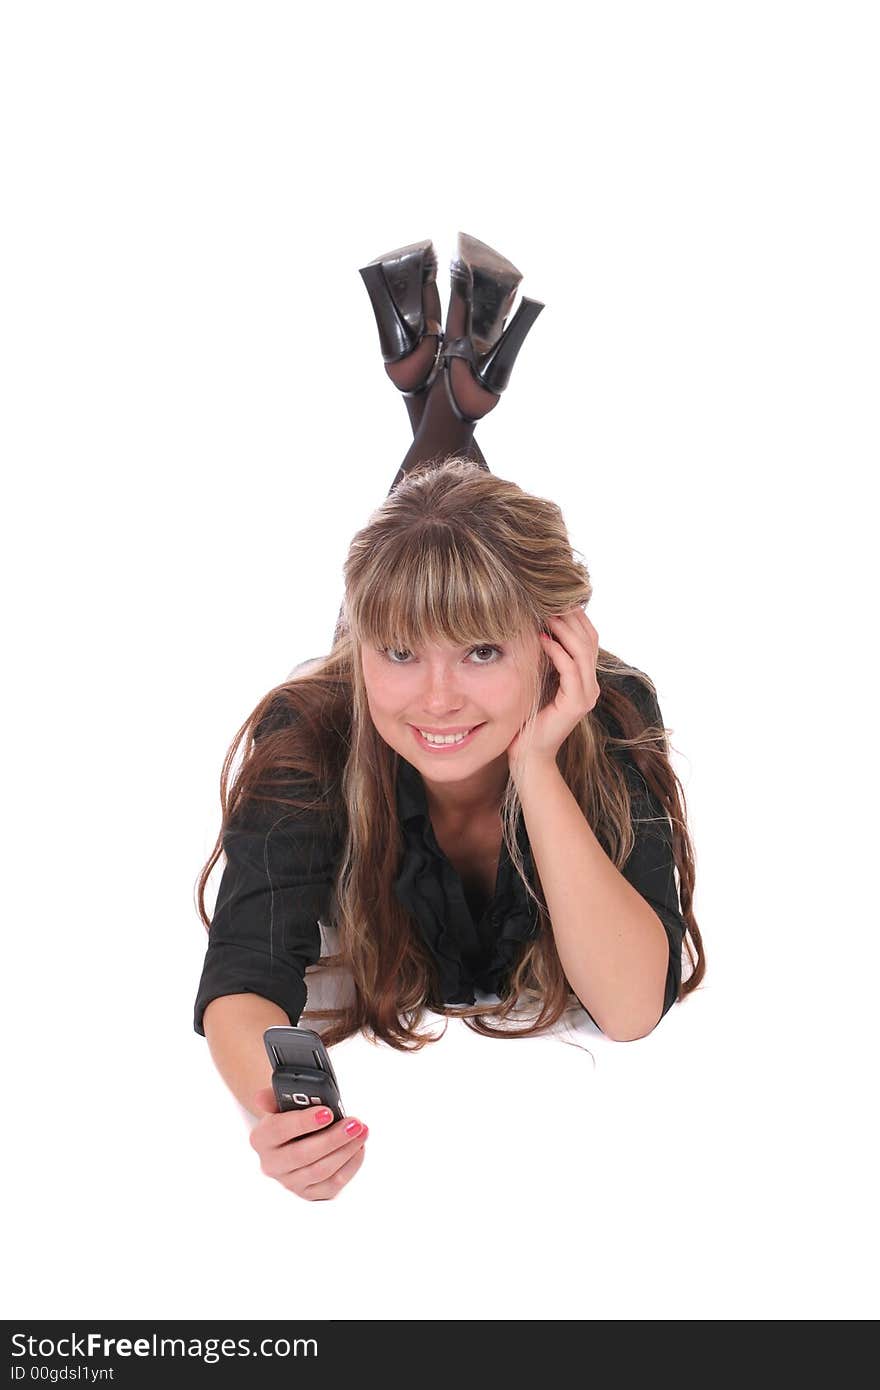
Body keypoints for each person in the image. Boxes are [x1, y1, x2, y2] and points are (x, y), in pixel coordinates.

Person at [193, 232, 705, 1201]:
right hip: (349, 742)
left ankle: (440, 393)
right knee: (423, 568)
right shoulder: (311, 729)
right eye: (395, 651)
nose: (434, 698)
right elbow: (247, 970)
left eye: (480, 650)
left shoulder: (611, 707)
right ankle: (447, 393)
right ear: (361, 652)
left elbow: (630, 1007)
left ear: (552, 645)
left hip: (545, 735)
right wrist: (273, 1111)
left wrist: (541, 765)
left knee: (429, 560)